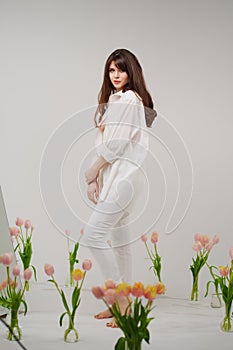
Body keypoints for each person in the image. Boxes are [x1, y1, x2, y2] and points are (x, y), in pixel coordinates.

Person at [83, 48, 157, 327]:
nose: (116, 75)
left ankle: (122, 302)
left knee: (93, 234)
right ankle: (119, 305)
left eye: (121, 70)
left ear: (131, 72)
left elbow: (115, 145)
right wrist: (98, 176)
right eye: (111, 70)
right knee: (121, 241)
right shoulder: (117, 100)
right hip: (121, 175)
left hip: (125, 177)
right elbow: (106, 144)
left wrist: (91, 173)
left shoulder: (129, 99)